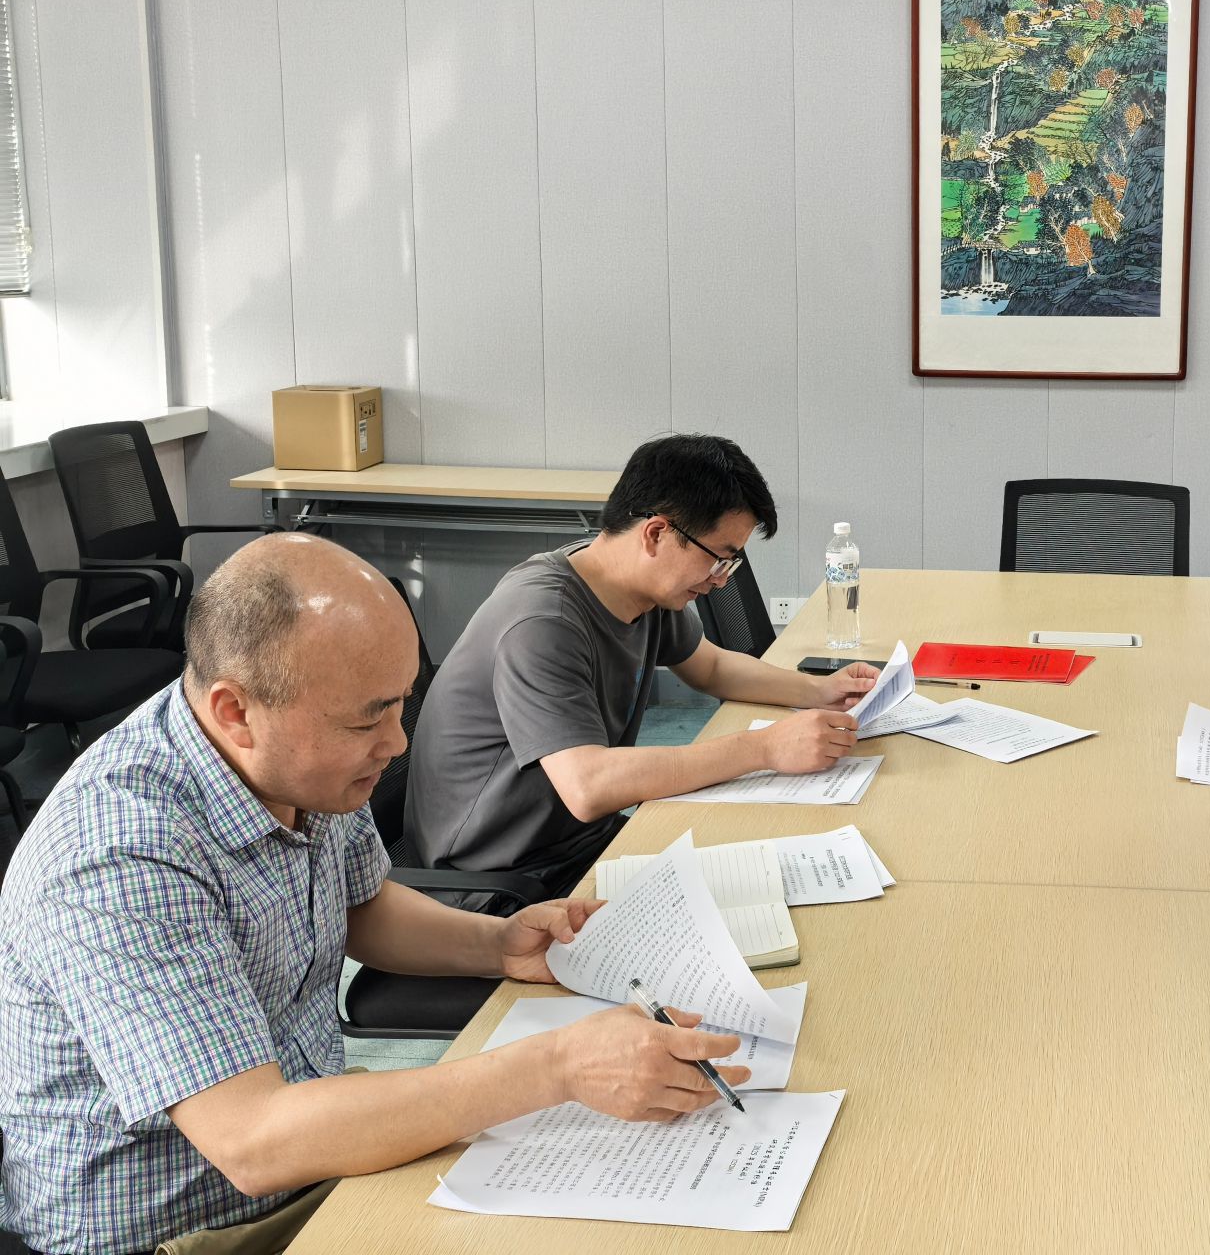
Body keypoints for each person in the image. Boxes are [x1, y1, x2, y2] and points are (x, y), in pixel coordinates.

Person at [0, 535, 749, 1255]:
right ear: (236, 712)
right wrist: (557, 1067)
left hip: (310, 1157)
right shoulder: (119, 855)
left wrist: (497, 944)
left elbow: (362, 903)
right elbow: (253, 1139)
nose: (396, 743)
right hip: (182, 1225)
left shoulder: (294, 756)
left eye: (399, 705)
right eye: (368, 718)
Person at [406, 433, 878, 900]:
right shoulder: (543, 621)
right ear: (656, 533)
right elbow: (587, 786)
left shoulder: (638, 587)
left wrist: (820, 691)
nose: (719, 582)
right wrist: (765, 748)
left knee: (767, 869)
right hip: (498, 884)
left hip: (578, 843)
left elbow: (711, 667)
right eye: (719, 559)